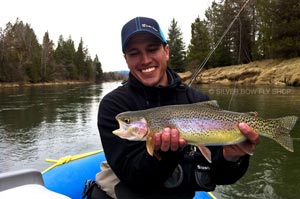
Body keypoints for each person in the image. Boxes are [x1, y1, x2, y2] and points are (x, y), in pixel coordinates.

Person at [92, 16, 259, 199]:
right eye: (134, 53)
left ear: (167, 51)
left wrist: (232, 158)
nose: (145, 59)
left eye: (152, 49)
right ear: (126, 59)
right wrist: (165, 154)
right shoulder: (114, 106)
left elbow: (221, 176)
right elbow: (133, 178)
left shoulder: (196, 100)